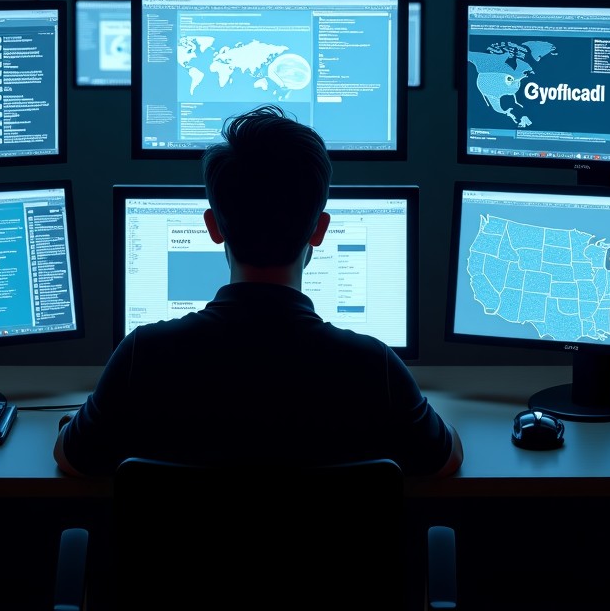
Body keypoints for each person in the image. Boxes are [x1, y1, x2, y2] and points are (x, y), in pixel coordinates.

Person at [54, 104, 463, 477]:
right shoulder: (374, 367)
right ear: (320, 230)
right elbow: (445, 461)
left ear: (212, 227)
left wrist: (84, 420)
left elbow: (71, 459)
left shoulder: (142, 355)